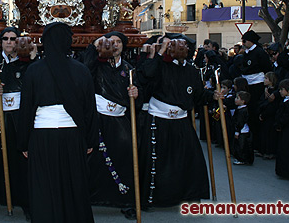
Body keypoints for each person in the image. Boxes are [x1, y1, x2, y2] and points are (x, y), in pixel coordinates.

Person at [18, 22, 98, 223]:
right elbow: (89, 109)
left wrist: (23, 142)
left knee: (44, 185)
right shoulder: (81, 70)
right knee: (73, 184)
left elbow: (26, 109)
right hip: (72, 136)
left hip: (42, 137)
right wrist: (90, 140)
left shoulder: (34, 70)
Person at [139, 35, 212, 207]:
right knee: (158, 162)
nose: (181, 48)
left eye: (185, 45)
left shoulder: (192, 71)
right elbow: (146, 74)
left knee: (187, 160)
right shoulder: (159, 65)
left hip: (181, 121)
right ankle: (153, 198)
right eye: (176, 45)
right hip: (159, 120)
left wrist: (212, 96)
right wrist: (160, 52)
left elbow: (198, 96)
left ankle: (185, 196)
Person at [0, 27, 34, 219]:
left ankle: (26, 203)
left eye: (13, 39)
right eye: (6, 39)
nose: (9, 42)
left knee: (22, 160)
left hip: (20, 117)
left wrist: (34, 59)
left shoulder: (27, 64)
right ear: (0, 42)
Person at [83, 31, 140, 219]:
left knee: (124, 158)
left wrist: (136, 93)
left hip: (119, 121)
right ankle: (86, 200)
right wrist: (94, 48)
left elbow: (140, 94)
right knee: (92, 161)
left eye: (118, 42)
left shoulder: (129, 69)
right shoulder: (96, 65)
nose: (114, 45)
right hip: (97, 120)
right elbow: (84, 72)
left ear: (123, 46)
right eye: (110, 42)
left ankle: (126, 201)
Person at [232, 91, 253, 165]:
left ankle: (242, 158)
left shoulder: (242, 111)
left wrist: (237, 131)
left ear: (243, 101)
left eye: (237, 98)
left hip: (242, 131)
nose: (235, 99)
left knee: (241, 146)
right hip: (242, 130)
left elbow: (240, 122)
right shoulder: (241, 109)